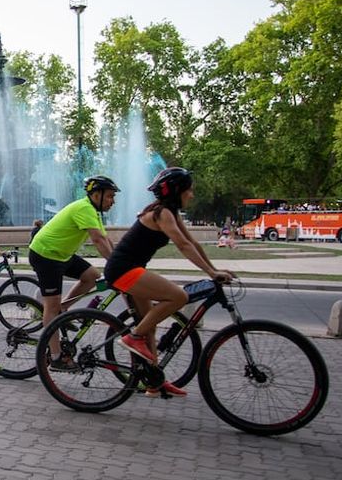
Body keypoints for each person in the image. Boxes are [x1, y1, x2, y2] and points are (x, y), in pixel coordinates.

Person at [104, 167, 234, 397]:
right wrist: (210, 272)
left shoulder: (170, 212)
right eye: (188, 190)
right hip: (123, 270)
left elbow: (192, 243)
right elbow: (182, 246)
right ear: (176, 191)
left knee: (150, 327)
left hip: (131, 269)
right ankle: (133, 337)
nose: (192, 195)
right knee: (178, 297)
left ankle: (154, 382)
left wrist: (214, 270)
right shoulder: (162, 213)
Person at [29, 175, 118, 371]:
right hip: (45, 254)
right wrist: (116, 266)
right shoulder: (84, 208)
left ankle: (63, 309)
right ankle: (56, 357)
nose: (113, 201)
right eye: (110, 196)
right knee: (51, 306)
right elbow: (97, 240)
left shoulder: (93, 211)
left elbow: (105, 239)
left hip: (62, 255)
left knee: (92, 277)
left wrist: (120, 261)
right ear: (96, 195)